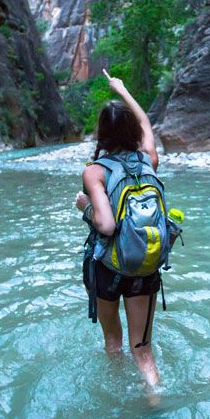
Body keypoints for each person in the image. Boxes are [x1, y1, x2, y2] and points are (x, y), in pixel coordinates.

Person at [75, 69, 162, 389]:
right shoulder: (147, 159)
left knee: (114, 342)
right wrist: (123, 90)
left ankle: (116, 399)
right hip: (144, 264)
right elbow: (146, 125)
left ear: (102, 135)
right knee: (144, 351)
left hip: (108, 268)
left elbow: (107, 225)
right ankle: (155, 402)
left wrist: (84, 206)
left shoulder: (95, 172)